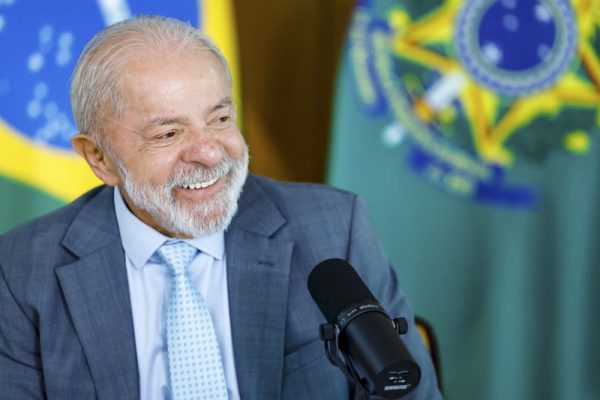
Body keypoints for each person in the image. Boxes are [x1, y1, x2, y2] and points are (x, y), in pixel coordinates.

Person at [0, 15, 442, 400]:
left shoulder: (333, 229)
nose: (210, 152)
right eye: (168, 134)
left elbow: (407, 395)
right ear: (98, 157)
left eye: (220, 119)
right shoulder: (21, 270)